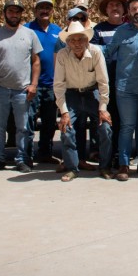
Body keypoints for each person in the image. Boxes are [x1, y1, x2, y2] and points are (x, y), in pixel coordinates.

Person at [0, 0, 42, 173]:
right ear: (4, 13)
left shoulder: (30, 34)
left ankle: (22, 159)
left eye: (17, 12)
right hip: (0, 89)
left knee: (23, 127)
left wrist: (34, 84)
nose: (14, 15)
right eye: (10, 11)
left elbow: (36, 62)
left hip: (22, 90)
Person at [106, 0, 138, 181]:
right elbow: (107, 52)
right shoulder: (121, 32)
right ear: (129, 12)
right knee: (127, 126)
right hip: (125, 88)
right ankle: (124, 164)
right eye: (134, 9)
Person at [54, 21, 111, 182]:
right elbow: (58, 85)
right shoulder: (62, 55)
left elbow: (103, 81)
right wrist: (64, 111)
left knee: (105, 127)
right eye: (73, 40)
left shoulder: (96, 52)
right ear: (67, 42)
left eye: (81, 39)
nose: (77, 43)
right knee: (66, 128)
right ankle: (72, 167)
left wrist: (103, 107)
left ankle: (105, 166)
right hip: (71, 94)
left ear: (87, 40)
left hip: (92, 93)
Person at [90, 0, 127, 165]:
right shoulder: (98, 30)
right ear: (106, 9)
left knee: (121, 119)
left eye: (118, 4)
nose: (115, 7)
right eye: (111, 5)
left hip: (125, 81)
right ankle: (105, 153)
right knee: (105, 118)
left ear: (124, 9)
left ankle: (120, 153)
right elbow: (96, 56)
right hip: (106, 82)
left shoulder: (129, 28)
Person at [25, 0, 61, 165]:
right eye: (41, 8)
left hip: (52, 85)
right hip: (33, 85)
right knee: (29, 121)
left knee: (49, 123)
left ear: (52, 11)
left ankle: (45, 153)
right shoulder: (26, 29)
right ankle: (27, 156)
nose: (44, 11)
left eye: (48, 8)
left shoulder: (58, 31)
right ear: (35, 11)